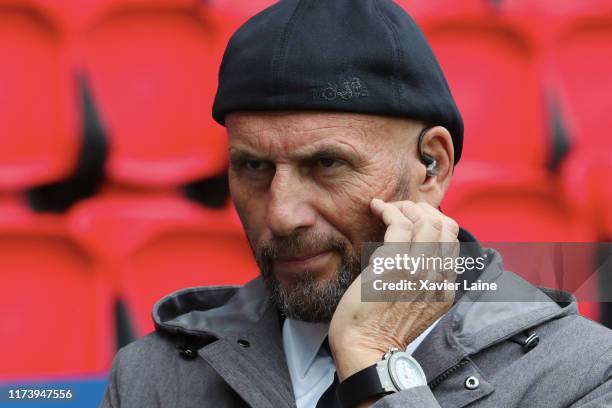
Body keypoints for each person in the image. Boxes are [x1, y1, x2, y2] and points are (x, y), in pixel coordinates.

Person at [100, 1, 612, 407]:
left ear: (431, 164)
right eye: (253, 167)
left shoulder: (582, 374)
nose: (280, 215)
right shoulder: (151, 377)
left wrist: (376, 364)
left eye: (326, 164)